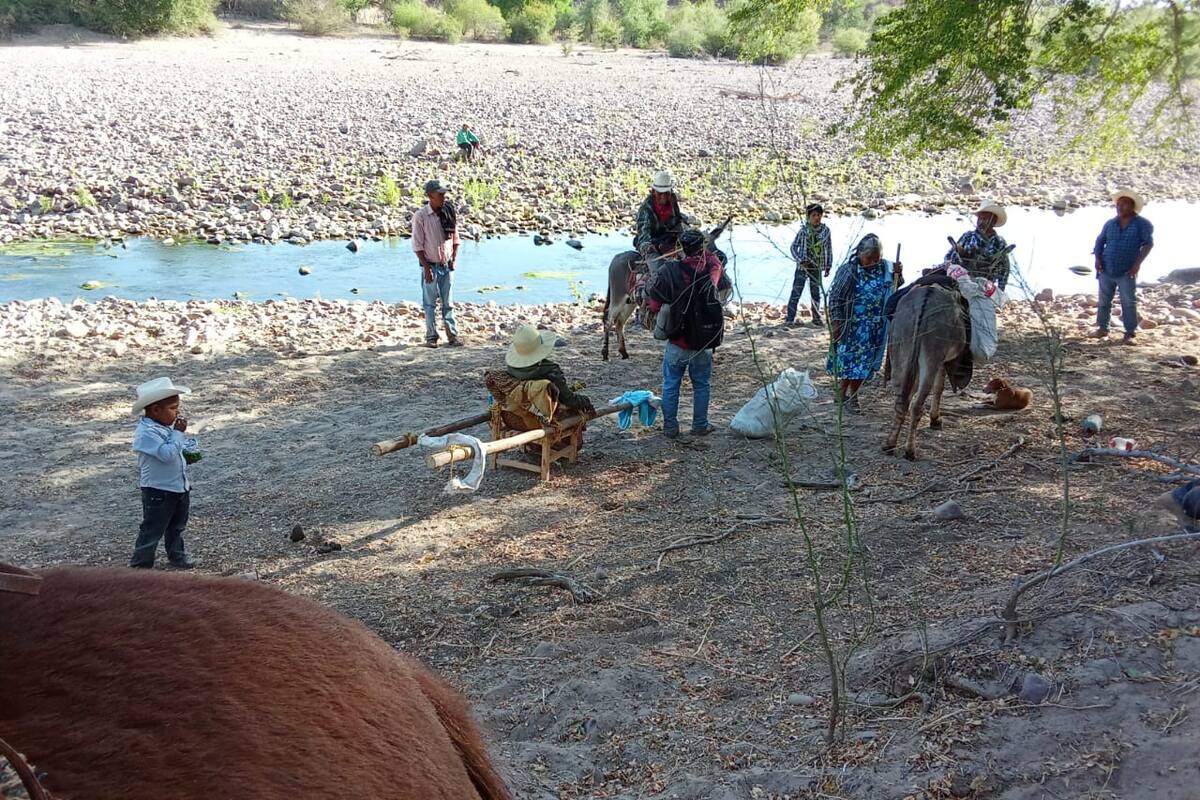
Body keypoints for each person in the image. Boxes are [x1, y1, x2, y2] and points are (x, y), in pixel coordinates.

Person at [647, 230, 723, 439]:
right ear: (702, 247)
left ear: (681, 246)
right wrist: (708, 255)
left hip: (677, 341)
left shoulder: (669, 270)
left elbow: (654, 305)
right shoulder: (711, 269)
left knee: (671, 384)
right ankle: (700, 425)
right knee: (702, 384)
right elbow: (717, 268)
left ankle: (671, 428)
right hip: (703, 341)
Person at [826, 234, 902, 411]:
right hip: (851, 327)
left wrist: (899, 273)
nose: (872, 263)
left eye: (877, 259)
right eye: (869, 259)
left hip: (874, 328)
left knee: (863, 365)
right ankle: (848, 395)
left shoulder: (886, 269)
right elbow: (836, 298)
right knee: (849, 363)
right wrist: (836, 322)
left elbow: (895, 288)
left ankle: (847, 394)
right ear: (860, 254)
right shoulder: (849, 270)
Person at [129, 377, 198, 569]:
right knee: (153, 527)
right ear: (156, 410)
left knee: (177, 526)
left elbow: (173, 452)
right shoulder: (146, 433)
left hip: (178, 485)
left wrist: (186, 455)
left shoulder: (164, 428)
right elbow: (166, 454)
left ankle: (177, 556)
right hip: (158, 490)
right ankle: (141, 562)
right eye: (173, 408)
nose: (177, 413)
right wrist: (178, 433)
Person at [1090, 189, 1154, 345]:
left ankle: (1130, 333)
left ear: (1132, 206)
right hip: (1106, 267)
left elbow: (1148, 244)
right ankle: (1102, 328)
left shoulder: (1142, 224)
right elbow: (1100, 241)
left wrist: (1137, 265)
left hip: (1127, 270)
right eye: (1118, 205)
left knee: (1128, 301)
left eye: (1124, 205)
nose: (1120, 207)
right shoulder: (1110, 223)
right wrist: (1097, 259)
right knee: (1104, 300)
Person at [411, 179, 462, 348]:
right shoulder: (421, 216)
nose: (443, 197)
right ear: (430, 196)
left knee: (448, 304)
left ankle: (452, 335)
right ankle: (431, 336)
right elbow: (417, 246)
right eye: (440, 194)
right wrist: (426, 268)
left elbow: (455, 239)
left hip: (446, 265)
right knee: (430, 304)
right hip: (431, 265)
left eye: (444, 194)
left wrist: (453, 259)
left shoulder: (447, 212)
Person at [504, 325, 595, 415]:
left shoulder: (511, 368)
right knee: (580, 404)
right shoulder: (551, 371)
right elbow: (569, 400)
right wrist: (585, 401)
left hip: (518, 406)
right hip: (542, 410)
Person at [633, 170, 687, 280]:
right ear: (653, 192)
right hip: (652, 244)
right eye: (660, 193)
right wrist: (654, 248)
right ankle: (649, 294)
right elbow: (644, 237)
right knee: (660, 275)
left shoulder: (672, 200)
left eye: (666, 193)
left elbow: (678, 221)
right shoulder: (646, 210)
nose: (663, 196)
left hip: (671, 242)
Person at [946, 201, 1011, 289]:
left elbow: (1004, 268)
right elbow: (949, 256)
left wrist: (1001, 290)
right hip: (961, 279)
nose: (980, 222)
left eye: (985, 219)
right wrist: (949, 266)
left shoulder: (999, 242)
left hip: (986, 284)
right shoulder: (968, 236)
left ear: (993, 222)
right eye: (979, 218)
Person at [786, 203, 833, 327]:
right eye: (813, 215)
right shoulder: (804, 231)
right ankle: (790, 319)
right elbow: (793, 247)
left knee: (815, 293)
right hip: (803, 267)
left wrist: (828, 266)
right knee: (796, 292)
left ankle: (816, 318)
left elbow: (829, 249)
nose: (816, 218)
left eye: (819, 215)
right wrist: (800, 260)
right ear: (808, 217)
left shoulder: (826, 231)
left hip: (816, 267)